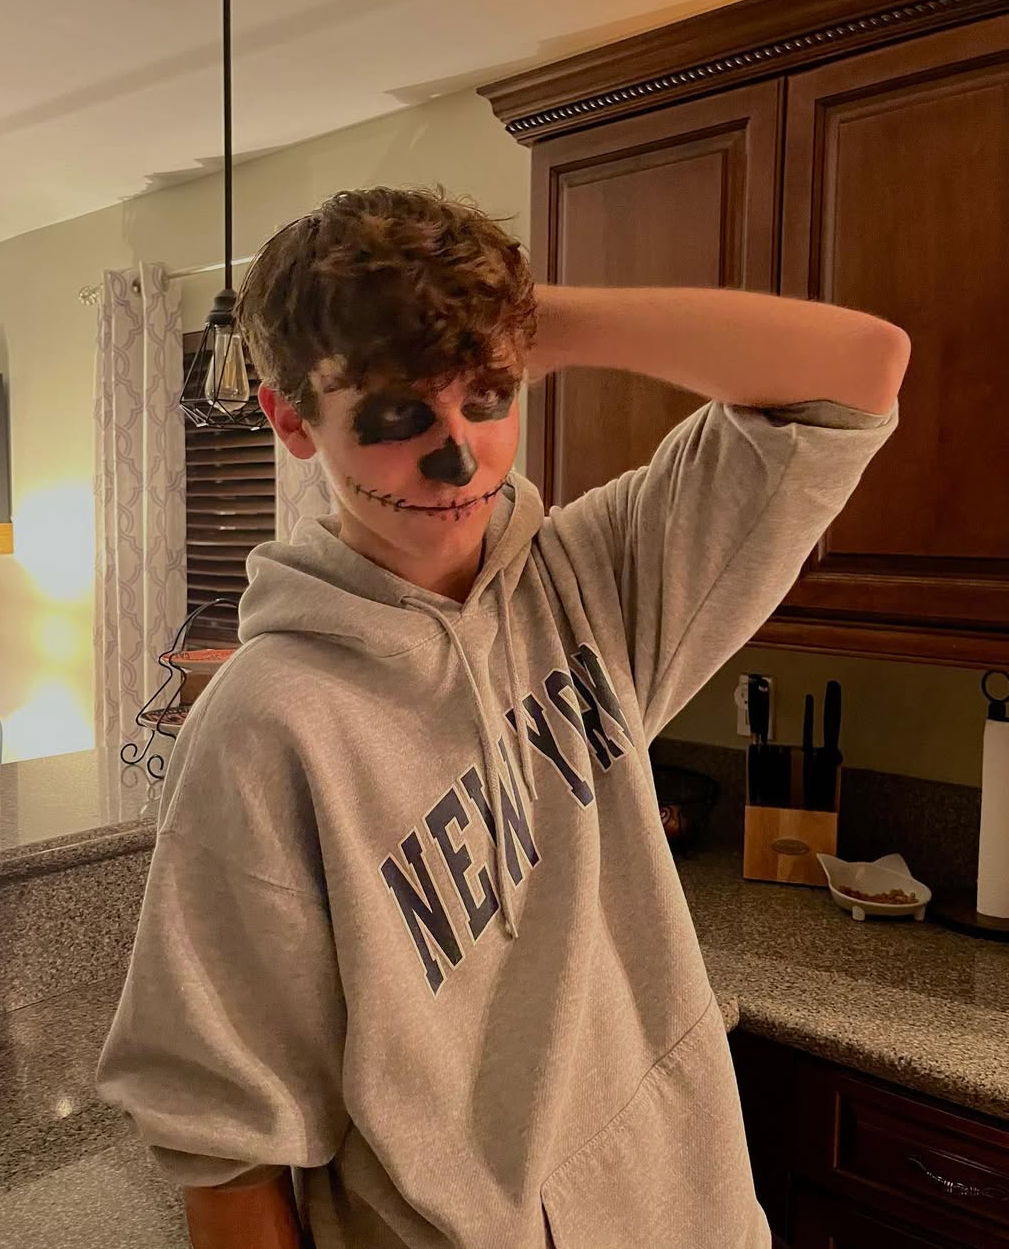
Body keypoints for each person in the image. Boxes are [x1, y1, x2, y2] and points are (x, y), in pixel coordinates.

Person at [97, 186, 909, 1249]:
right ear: (291, 420)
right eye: (397, 413)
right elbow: (228, 1154)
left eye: (488, 397)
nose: (460, 455)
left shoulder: (594, 581)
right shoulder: (265, 727)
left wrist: (519, 322)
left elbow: (860, 372)